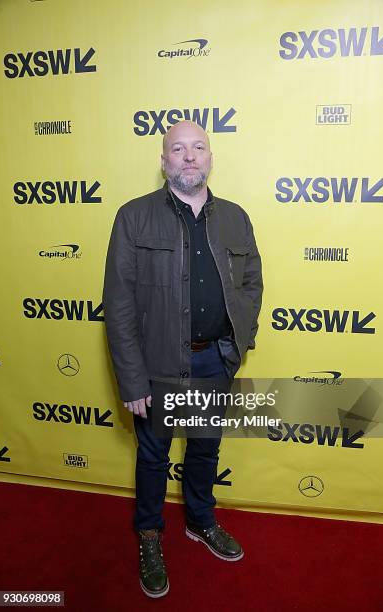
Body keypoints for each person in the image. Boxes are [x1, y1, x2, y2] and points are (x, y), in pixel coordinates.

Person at [103, 120, 263, 598]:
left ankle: (200, 521)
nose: (189, 156)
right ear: (164, 160)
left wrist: (238, 343)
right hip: (155, 367)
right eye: (178, 149)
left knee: (205, 448)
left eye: (198, 148)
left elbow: (252, 283)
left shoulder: (235, 217)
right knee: (153, 457)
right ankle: (150, 536)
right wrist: (132, 382)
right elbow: (120, 303)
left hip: (214, 361)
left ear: (210, 157)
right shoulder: (133, 217)